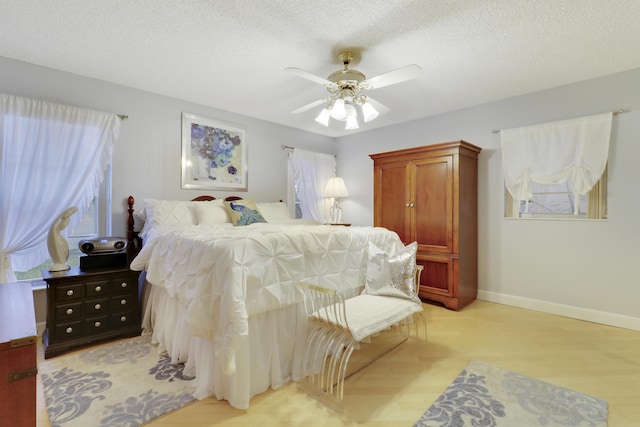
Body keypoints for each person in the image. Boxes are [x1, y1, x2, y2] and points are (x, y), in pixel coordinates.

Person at [47, 206, 78, 272]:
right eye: (66, 222)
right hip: (60, 263)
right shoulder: (54, 236)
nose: (66, 224)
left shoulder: (57, 235)